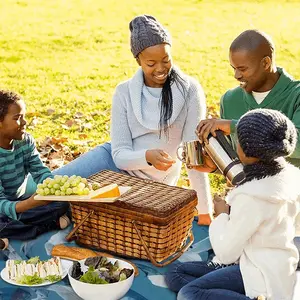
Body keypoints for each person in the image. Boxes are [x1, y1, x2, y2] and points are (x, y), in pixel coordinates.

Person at [53, 15, 213, 225]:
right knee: (49, 189)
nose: (160, 69)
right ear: (138, 60)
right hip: (111, 163)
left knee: (72, 207)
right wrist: (147, 156)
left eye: (166, 60)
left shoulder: (190, 90)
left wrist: (205, 212)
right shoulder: (125, 92)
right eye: (151, 63)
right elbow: (119, 155)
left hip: (149, 185)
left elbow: (193, 156)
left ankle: (60, 217)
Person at [166, 108, 300, 300]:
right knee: (175, 273)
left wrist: (222, 215)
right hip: (277, 265)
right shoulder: (292, 177)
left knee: (188, 293)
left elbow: (226, 252)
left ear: (244, 150)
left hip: (258, 273)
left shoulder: (251, 197)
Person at [196, 29, 300, 170]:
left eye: (242, 69)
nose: (236, 75)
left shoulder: (296, 95)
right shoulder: (230, 100)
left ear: (265, 63)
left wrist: (235, 127)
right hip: (249, 189)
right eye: (234, 68)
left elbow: (297, 144)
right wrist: (215, 166)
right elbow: (237, 160)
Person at [0, 90, 70, 240]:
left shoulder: (25, 141)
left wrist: (53, 189)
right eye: (18, 118)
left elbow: (40, 171)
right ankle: (47, 225)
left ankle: (14, 230)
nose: (25, 122)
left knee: (64, 203)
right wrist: (29, 204)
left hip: (20, 201)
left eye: (24, 116)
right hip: (5, 207)